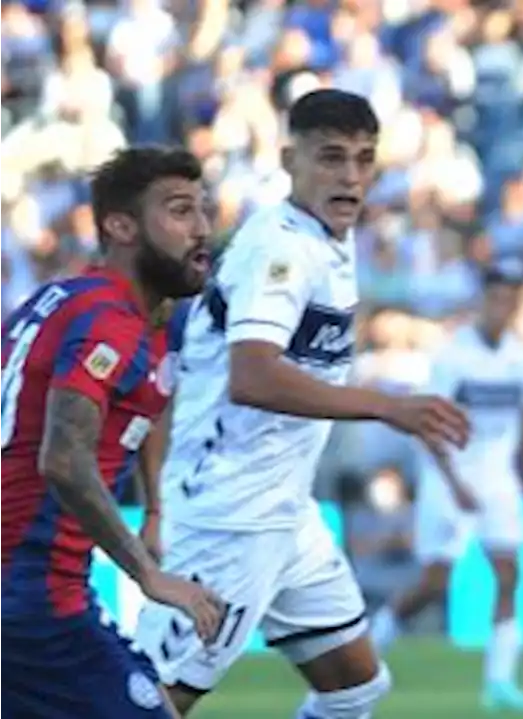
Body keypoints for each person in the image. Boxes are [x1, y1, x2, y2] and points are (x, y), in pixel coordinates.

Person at [130, 89, 471, 718]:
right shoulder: (280, 248)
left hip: (285, 513)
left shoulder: (328, 241)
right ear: (290, 159)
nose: (350, 176)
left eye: (364, 160)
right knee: (149, 704)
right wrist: (385, 406)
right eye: (331, 157)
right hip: (229, 516)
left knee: (355, 688)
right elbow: (252, 376)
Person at [0, 146, 225, 718]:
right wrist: (148, 574)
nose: (201, 229)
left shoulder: (70, 302)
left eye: (203, 210)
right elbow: (64, 457)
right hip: (30, 595)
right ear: (120, 226)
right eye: (179, 212)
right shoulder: (109, 322)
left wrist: (152, 508)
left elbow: (148, 397)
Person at [370, 259, 523, 712]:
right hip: (450, 475)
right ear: (484, 299)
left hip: (497, 477)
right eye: (497, 296)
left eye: (512, 297)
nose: (503, 305)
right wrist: (454, 482)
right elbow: (429, 422)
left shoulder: (521, 356)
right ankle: (371, 648)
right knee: (434, 582)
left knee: (508, 574)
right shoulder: (453, 354)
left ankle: (500, 683)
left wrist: (519, 478)